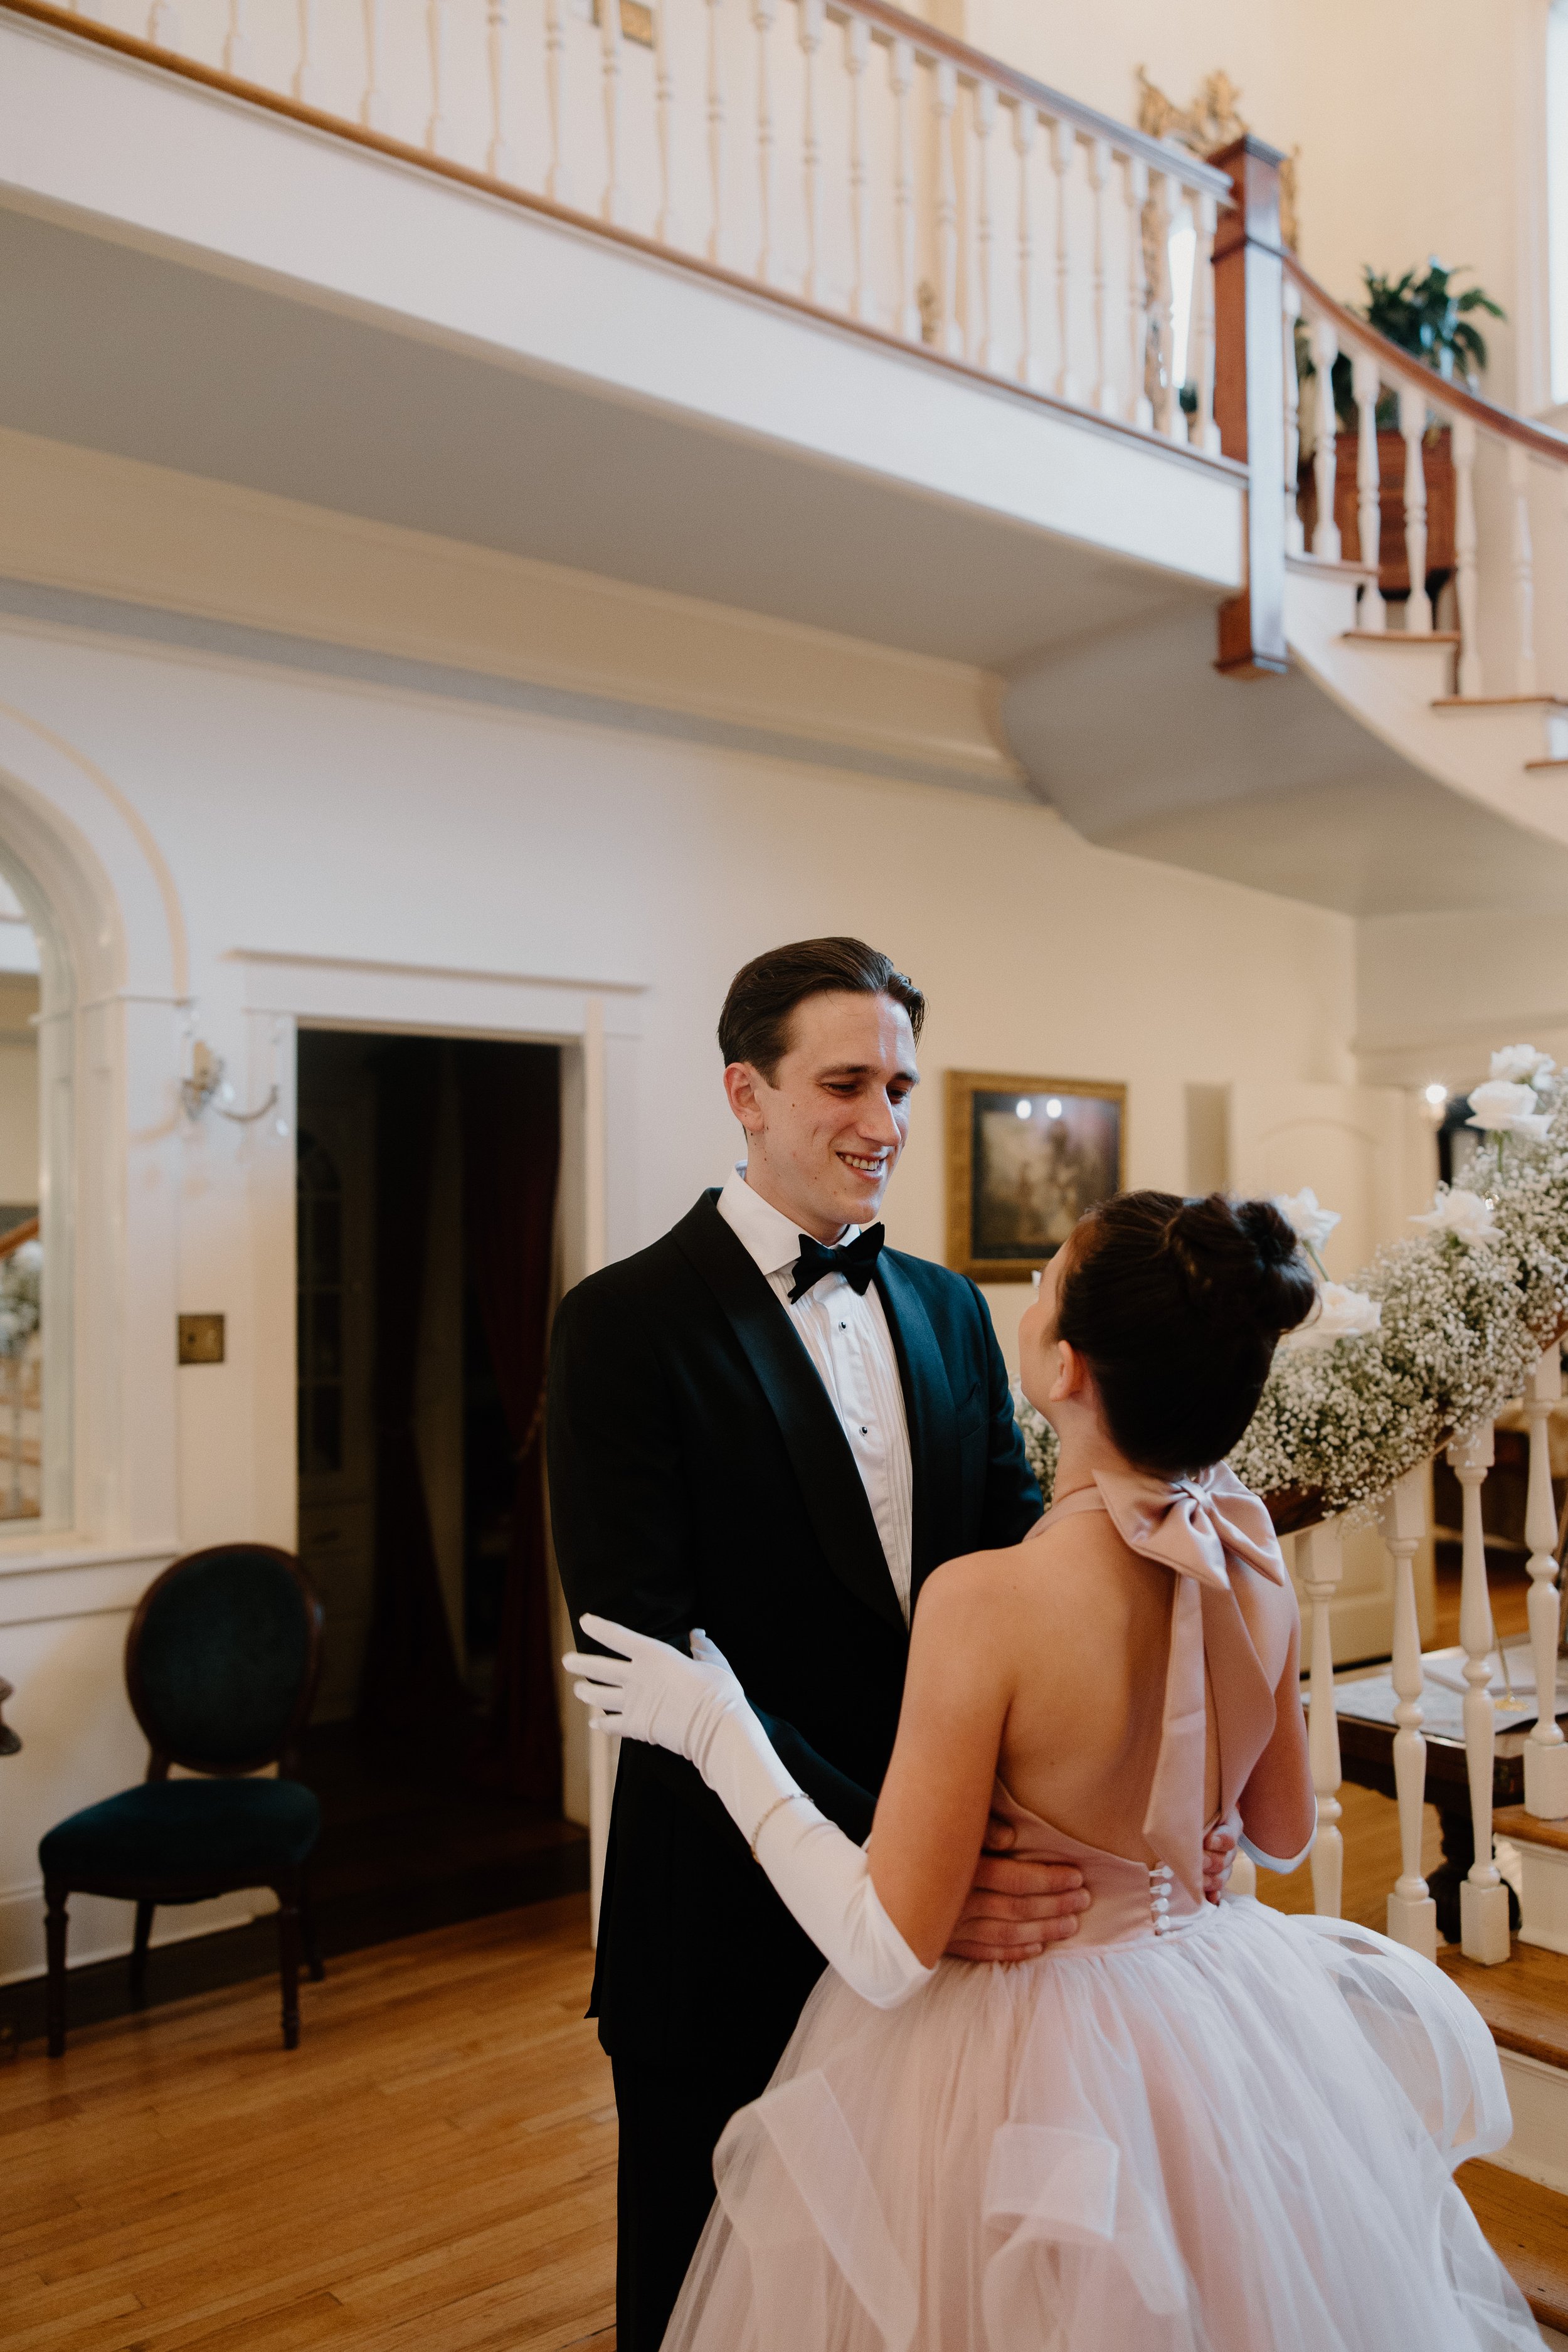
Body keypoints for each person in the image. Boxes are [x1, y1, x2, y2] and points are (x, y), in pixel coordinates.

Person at [568, 1190, 1537, 2351]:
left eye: (1045, 1287)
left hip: (1020, 2056)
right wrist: (1180, 1824)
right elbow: (1278, 1831)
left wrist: (719, 1726)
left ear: (1068, 1365)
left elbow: (884, 1949)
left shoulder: (987, 1601)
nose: (1025, 1305)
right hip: (1208, 2022)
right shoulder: (1246, 1549)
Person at [548, 939, 1234, 2351]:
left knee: (912, 2294)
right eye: (844, 1083)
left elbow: (1027, 1576)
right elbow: (636, 1641)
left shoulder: (945, 1307)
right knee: (701, 2293)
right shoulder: (620, 1322)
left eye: (901, 1087)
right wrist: (914, 1867)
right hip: (732, 1914)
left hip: (956, 1949)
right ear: (745, 1091)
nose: (883, 1121)